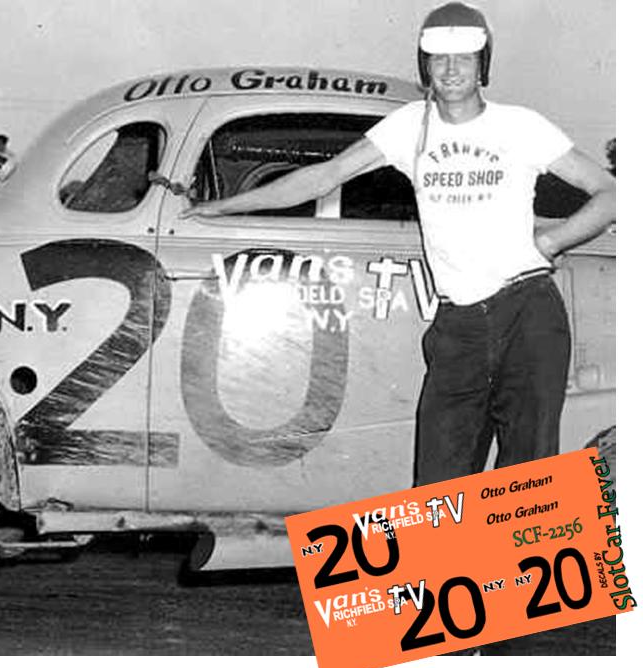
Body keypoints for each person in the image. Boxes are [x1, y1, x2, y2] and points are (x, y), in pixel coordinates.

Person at [181, 2, 616, 486]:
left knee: (526, 480)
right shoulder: (410, 125)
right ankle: (449, 563)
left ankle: (511, 565)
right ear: (424, 65)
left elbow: (611, 191)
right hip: (459, 324)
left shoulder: (520, 126)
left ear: (483, 64)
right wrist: (223, 207)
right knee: (437, 483)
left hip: (528, 311)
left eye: (465, 58)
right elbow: (324, 176)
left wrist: (552, 240)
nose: (451, 70)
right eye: (438, 59)